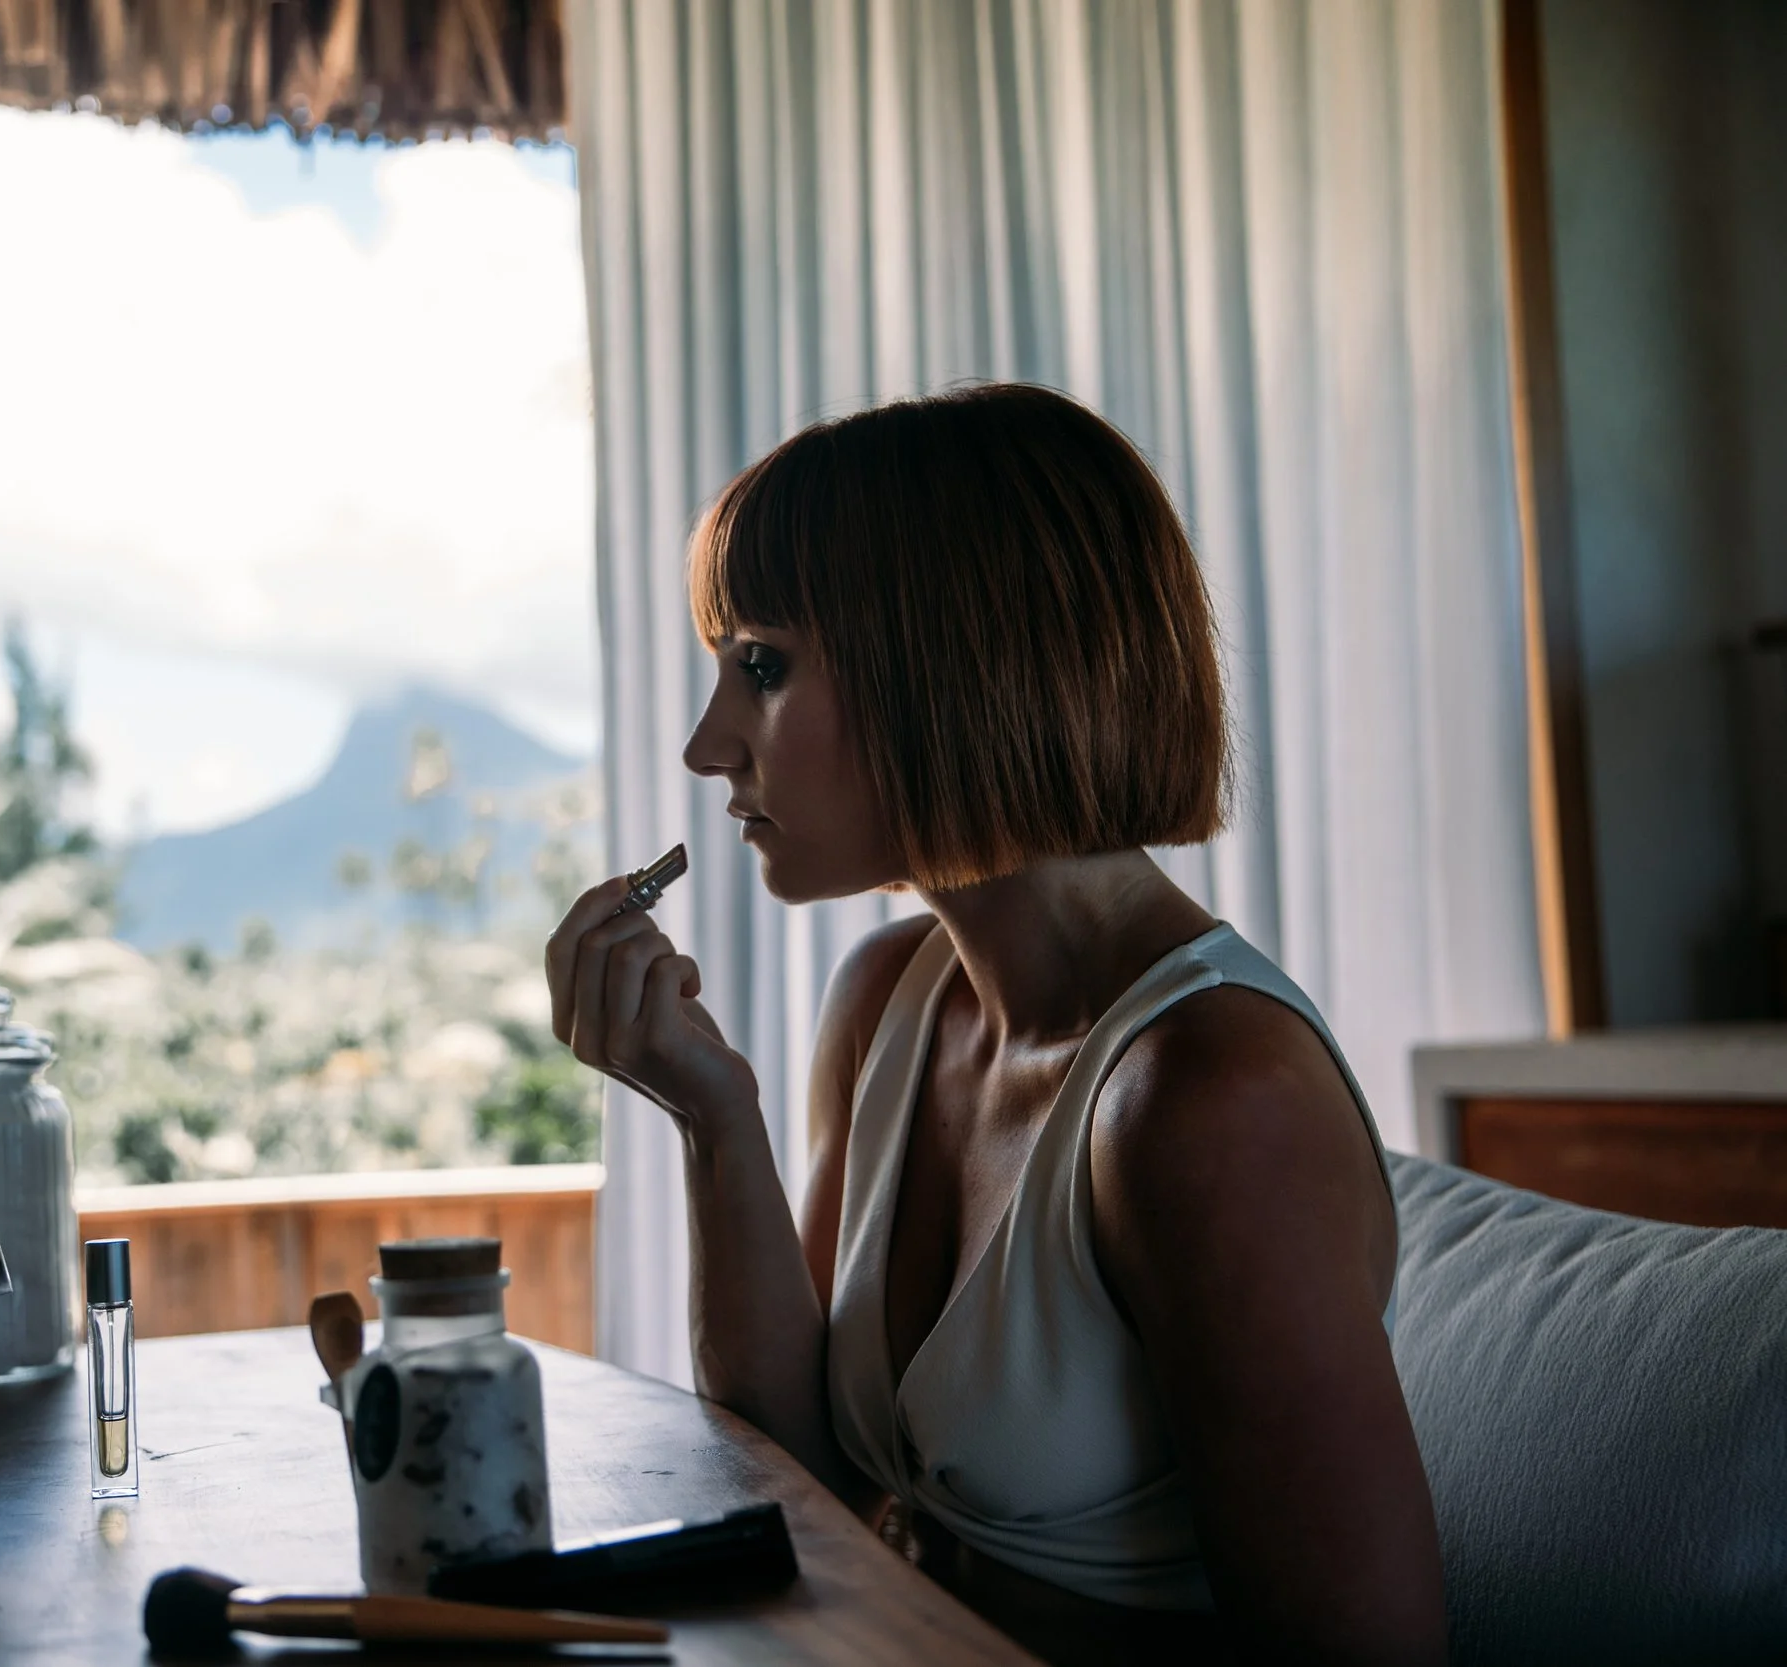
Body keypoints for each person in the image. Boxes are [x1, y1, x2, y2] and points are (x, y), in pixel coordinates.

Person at [546, 386, 1447, 1666]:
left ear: (953, 663)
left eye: (761, 664)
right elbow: (796, 1473)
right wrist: (711, 1113)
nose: (708, 745)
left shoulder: (1207, 1095)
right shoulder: (887, 1002)